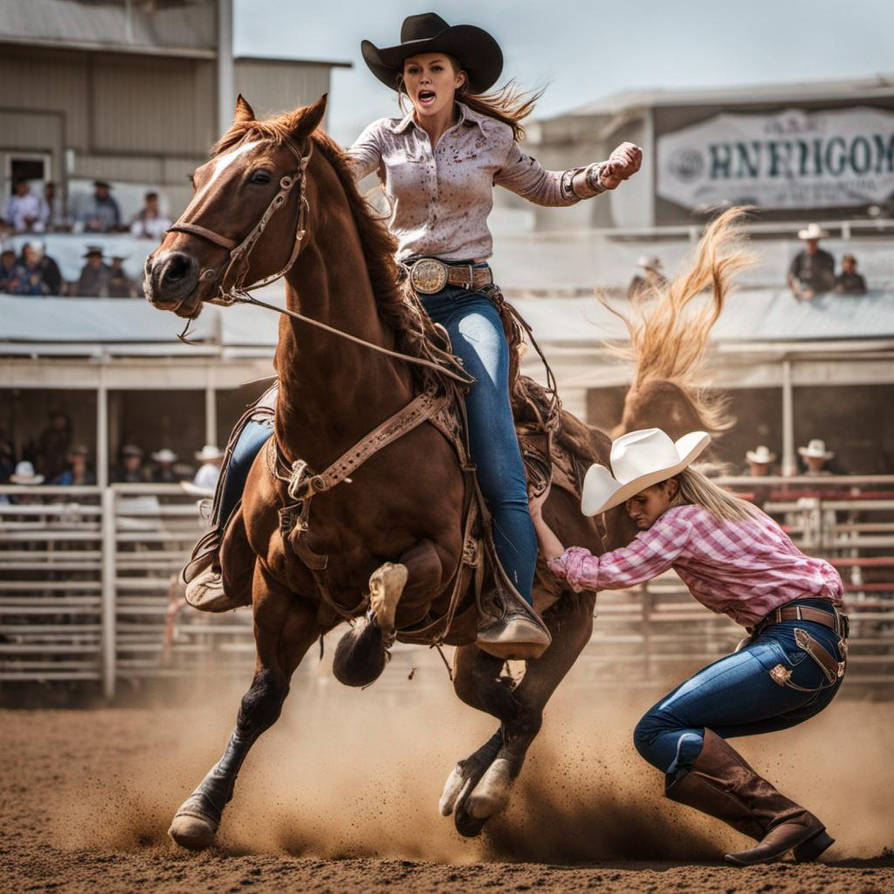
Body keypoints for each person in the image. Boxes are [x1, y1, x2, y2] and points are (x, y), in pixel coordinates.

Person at [182, 11, 642, 652]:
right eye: (412, 71)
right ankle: (219, 556)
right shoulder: (380, 138)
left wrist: (605, 174)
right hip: (393, 301)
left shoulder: (491, 139)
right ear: (404, 84)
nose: (422, 78)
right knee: (268, 416)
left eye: (433, 68)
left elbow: (549, 186)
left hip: (467, 302)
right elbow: (334, 177)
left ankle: (510, 600)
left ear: (458, 77)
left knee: (495, 437)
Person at [532, 427, 846, 865]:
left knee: (655, 730)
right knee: (683, 730)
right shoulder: (738, 511)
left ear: (671, 488)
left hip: (792, 647)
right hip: (815, 656)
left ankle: (783, 819)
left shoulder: (681, 522)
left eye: (643, 499)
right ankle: (794, 830)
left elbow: (604, 572)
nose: (635, 512)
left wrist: (538, 523)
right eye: (629, 502)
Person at [787, 224, 835, 301]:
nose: (811, 243)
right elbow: (791, 275)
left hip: (822, 297)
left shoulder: (826, 258)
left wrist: (814, 290)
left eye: (814, 240)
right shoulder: (799, 257)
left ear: (817, 241)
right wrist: (795, 290)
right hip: (802, 294)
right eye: (809, 240)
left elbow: (830, 280)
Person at [35, 410, 72, 481]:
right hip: (47, 469)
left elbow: (65, 453)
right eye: (58, 420)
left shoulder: (66, 435)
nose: (60, 422)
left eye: (62, 420)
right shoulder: (47, 435)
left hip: (61, 470)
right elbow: (40, 451)